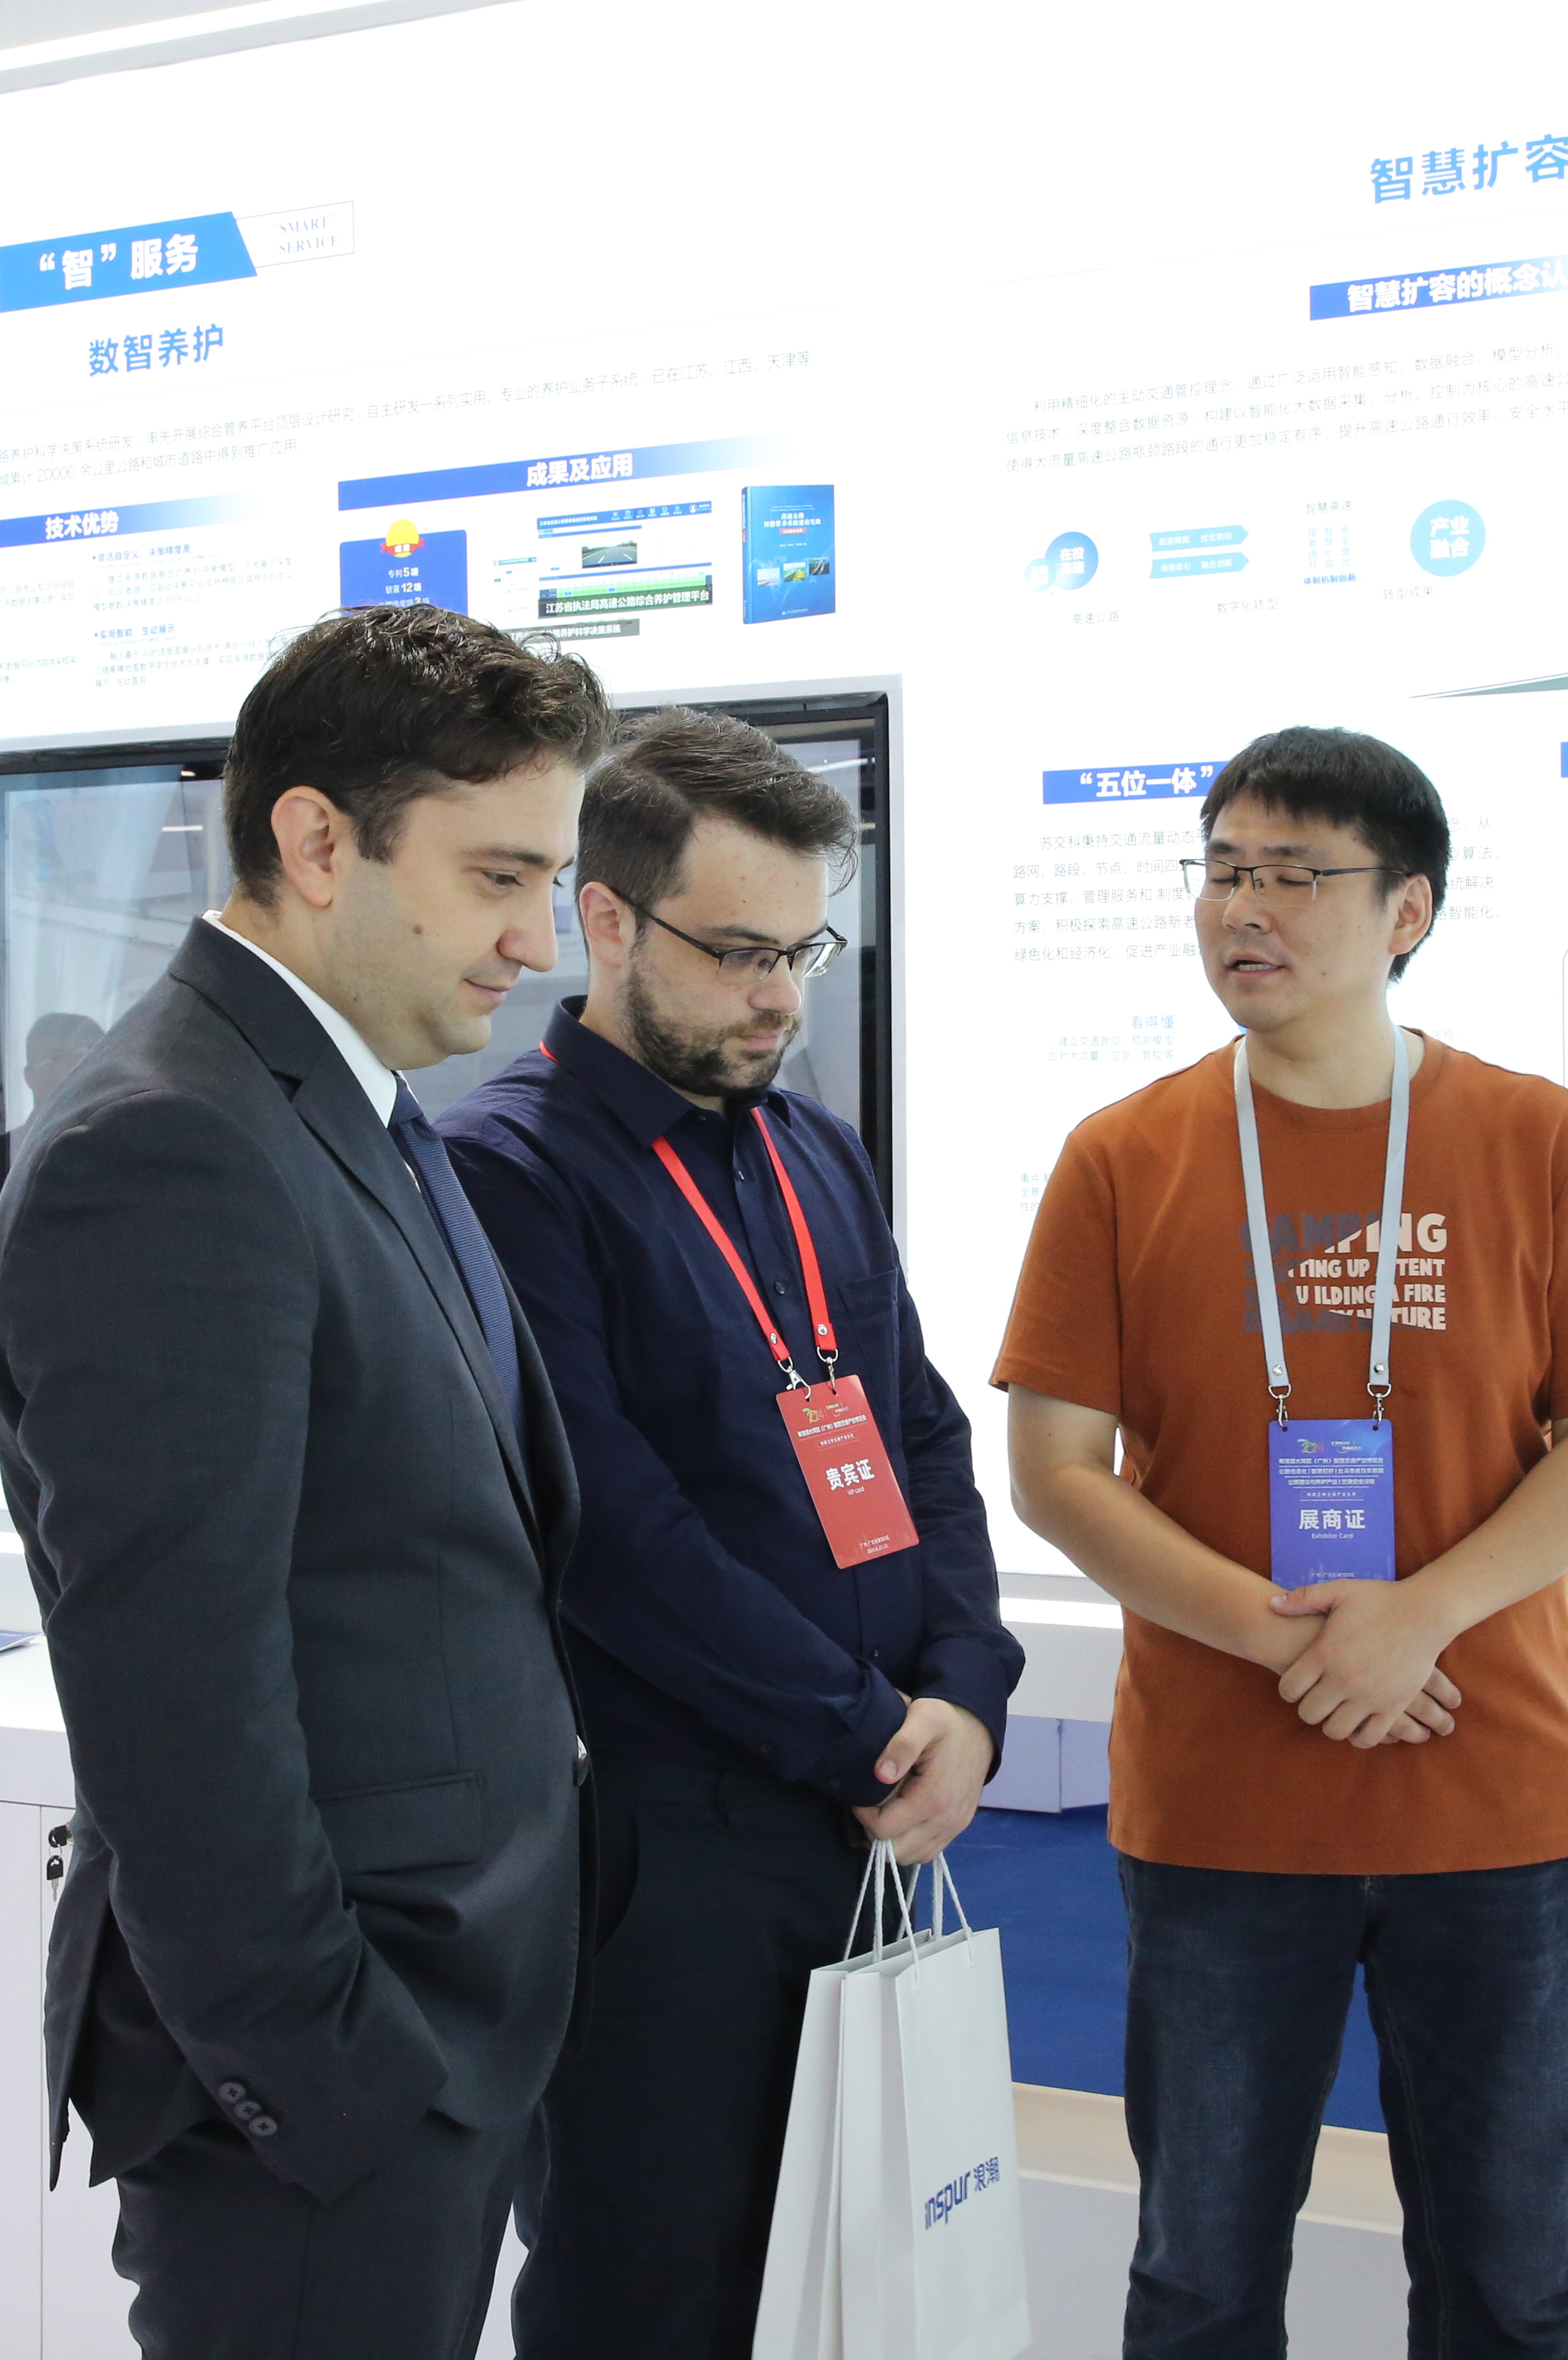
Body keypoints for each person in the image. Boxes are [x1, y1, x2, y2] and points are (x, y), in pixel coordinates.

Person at [994, 726, 1568, 2360]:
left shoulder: (1534, 1136)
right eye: (1223, 871)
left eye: (1295, 875)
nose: (1244, 907)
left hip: (1490, 1786)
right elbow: (1055, 1469)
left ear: (1408, 912)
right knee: (1200, 2280)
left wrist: (1417, 1619)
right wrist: (1290, 1640)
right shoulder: (1125, 1154)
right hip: (1224, 1801)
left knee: (1507, 2284)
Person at [0, 604, 614, 2360]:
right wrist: (333, 2084)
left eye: (549, 879)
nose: (536, 938)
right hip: (329, 2089)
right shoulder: (171, 1145)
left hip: (438, 2022)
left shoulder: (352, 1109)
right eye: (499, 876)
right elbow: (175, 1697)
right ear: (320, 841)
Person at [436, 709, 1022, 2360]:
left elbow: (915, 1431)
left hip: (866, 1804)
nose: (779, 996)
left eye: (802, 952)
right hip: (670, 1836)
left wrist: (968, 1688)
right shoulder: (507, 1172)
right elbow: (613, 1531)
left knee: (850, 2276)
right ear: (607, 921)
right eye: (740, 954)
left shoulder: (811, 1145)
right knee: (654, 2285)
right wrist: (867, 1730)